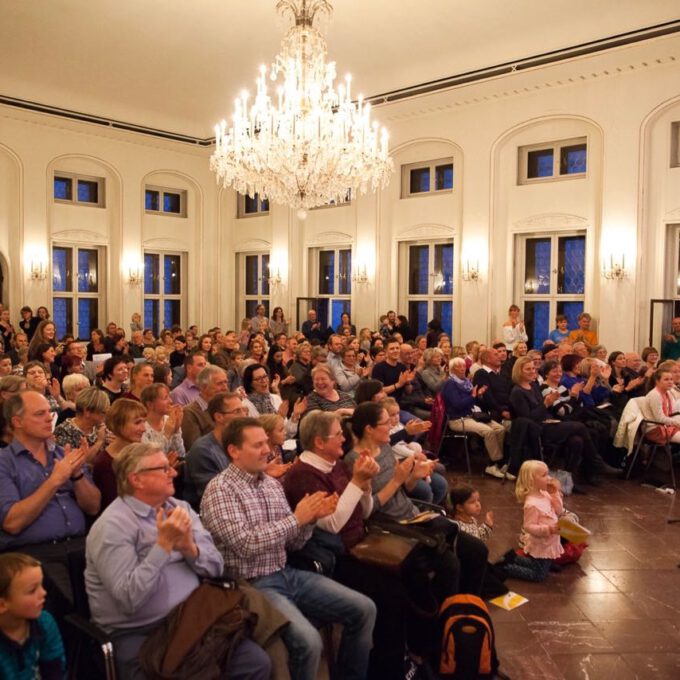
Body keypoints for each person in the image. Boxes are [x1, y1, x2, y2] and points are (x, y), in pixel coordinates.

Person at [201, 417, 377, 680]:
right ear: (234, 451)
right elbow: (246, 544)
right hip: (250, 583)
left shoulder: (271, 485)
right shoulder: (220, 490)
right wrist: (297, 519)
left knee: (364, 609)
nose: (267, 450)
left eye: (266, 443)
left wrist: (310, 519)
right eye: (258, 445)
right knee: (308, 642)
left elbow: (294, 542)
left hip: (286, 572)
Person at [85, 442, 271, 680]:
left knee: (256, 663)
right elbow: (129, 599)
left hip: (192, 618)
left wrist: (188, 547)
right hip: (139, 631)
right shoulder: (113, 526)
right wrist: (163, 546)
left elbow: (216, 567)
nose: (173, 472)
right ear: (136, 479)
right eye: (163, 468)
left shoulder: (179, 508)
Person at [0, 392, 100, 611]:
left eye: (50, 412)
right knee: (71, 614)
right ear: (17, 422)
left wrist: (77, 476)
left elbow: (93, 506)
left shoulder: (63, 455)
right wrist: (55, 480)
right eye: (40, 414)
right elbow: (12, 522)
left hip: (81, 545)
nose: (49, 418)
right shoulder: (4, 463)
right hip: (35, 555)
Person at [0, 552, 66, 680]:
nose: (44, 593)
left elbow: (55, 670)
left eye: (42, 585)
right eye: (32, 590)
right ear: (2, 605)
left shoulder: (45, 622)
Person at [442, 357, 508, 479]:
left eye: (463, 366)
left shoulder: (466, 382)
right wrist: (473, 396)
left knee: (500, 428)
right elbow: (458, 405)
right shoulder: (450, 384)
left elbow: (473, 402)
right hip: (457, 419)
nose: (462, 369)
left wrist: (479, 396)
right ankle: (494, 464)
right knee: (488, 431)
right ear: (452, 369)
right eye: (458, 367)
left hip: (472, 415)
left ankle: (496, 461)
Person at [501, 461, 563, 582]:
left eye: (548, 474)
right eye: (544, 475)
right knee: (538, 576)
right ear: (531, 481)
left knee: (539, 564)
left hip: (549, 541)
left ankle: (513, 557)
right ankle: (505, 568)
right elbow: (528, 526)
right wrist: (548, 529)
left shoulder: (545, 493)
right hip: (541, 543)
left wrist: (555, 494)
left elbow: (558, 510)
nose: (549, 478)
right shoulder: (531, 504)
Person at [184, 392, 249, 508]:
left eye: (245, 410)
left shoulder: (239, 444)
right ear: (219, 417)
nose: (244, 415)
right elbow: (216, 495)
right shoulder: (203, 451)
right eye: (237, 411)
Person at [93, 398, 148, 510]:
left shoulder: (141, 452)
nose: (144, 429)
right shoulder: (104, 463)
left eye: (144, 422)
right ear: (118, 424)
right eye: (137, 422)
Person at [181, 365, 229, 450]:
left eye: (226, 382)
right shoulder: (190, 412)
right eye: (220, 383)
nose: (225, 388)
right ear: (203, 386)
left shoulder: (226, 408)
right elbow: (196, 448)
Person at [54, 386, 109, 460]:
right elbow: (75, 464)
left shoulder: (98, 428)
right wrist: (99, 442)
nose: (105, 416)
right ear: (87, 412)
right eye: (103, 412)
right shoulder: (64, 431)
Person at [140, 383, 185, 456]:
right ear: (150, 405)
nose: (170, 401)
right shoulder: (141, 428)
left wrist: (176, 430)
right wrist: (166, 435)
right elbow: (153, 457)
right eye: (165, 398)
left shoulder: (169, 420)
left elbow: (181, 454)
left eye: (169, 397)